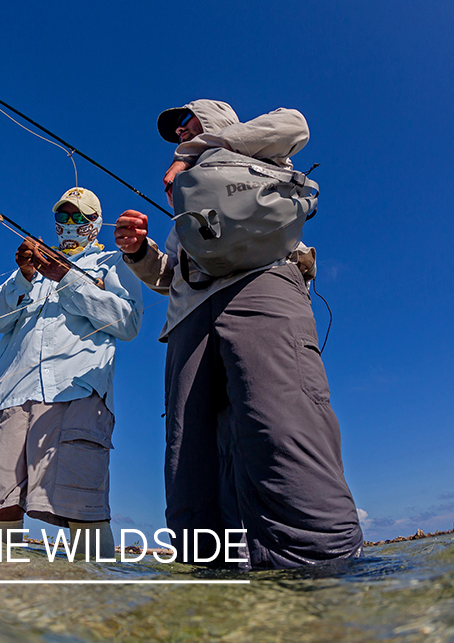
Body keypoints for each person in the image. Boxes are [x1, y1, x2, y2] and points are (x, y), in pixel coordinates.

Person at [114, 100, 363, 569]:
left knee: (282, 428)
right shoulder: (185, 199)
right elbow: (171, 275)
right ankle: (209, 575)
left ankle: (323, 576)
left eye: (188, 122)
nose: (181, 133)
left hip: (263, 285)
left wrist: (195, 150)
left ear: (215, 118)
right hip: (188, 318)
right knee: (190, 453)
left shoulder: (260, 144)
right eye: (178, 132)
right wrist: (138, 251)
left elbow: (298, 123)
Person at [0, 187, 143, 559]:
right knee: (1, 503)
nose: (70, 224)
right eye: (63, 216)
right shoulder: (31, 270)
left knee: (83, 509)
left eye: (79, 217)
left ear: (96, 222)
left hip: (77, 394)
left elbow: (128, 323)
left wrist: (67, 278)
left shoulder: (116, 263)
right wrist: (23, 276)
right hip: (11, 396)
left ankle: (92, 604)